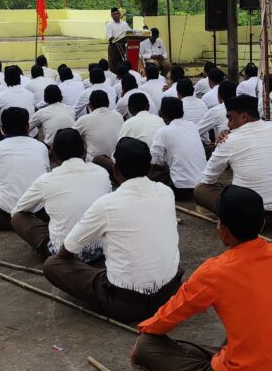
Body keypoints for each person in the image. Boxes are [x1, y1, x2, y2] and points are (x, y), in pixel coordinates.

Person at [132, 185, 272, 371]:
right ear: (262, 225)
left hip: (243, 366)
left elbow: (170, 314)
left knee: (146, 345)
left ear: (224, 231)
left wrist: (145, 331)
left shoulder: (215, 271)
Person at [42, 137, 183, 323]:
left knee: (52, 264)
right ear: (149, 168)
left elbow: (68, 248)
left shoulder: (107, 204)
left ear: (115, 170)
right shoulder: (166, 192)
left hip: (127, 304)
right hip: (170, 294)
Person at [195, 95, 272, 228]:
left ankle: (228, 215)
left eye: (230, 118)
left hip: (250, 217)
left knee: (200, 190)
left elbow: (208, 179)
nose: (228, 123)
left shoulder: (229, 141)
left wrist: (224, 141)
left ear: (244, 117)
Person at [11, 129, 112, 259]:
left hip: (64, 253)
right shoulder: (102, 172)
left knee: (18, 218)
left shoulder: (47, 180)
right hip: (101, 249)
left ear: (53, 155)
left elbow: (17, 210)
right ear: (84, 152)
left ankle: (54, 255)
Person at [0, 107, 51, 230]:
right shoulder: (41, 147)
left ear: (3, 129)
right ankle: (27, 222)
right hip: (38, 214)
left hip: (4, 218)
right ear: (27, 127)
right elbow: (47, 178)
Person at [150, 97, 207, 200]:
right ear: (182, 113)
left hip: (181, 189)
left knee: (151, 171)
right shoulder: (192, 126)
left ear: (162, 113)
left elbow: (152, 161)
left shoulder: (163, 131)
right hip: (202, 188)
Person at [74, 90, 124, 173]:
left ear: (90, 105)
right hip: (117, 164)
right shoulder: (118, 116)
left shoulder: (84, 120)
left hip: (94, 166)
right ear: (108, 103)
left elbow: (70, 136)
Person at [0, 66, 37, 137]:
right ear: (20, 79)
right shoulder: (30, 95)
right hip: (31, 134)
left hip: (11, 135)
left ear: (5, 80)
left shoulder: (0, 97)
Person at [199, 80, 236, 146]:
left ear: (219, 96)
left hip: (225, 148)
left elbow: (197, 131)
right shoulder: (245, 109)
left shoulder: (216, 111)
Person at [106, 7, 132, 71]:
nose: (116, 15)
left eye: (117, 13)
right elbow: (110, 37)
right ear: (111, 16)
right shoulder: (109, 25)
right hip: (114, 47)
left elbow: (130, 32)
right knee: (113, 65)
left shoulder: (124, 24)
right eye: (114, 14)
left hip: (123, 46)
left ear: (120, 14)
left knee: (123, 63)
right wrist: (118, 39)